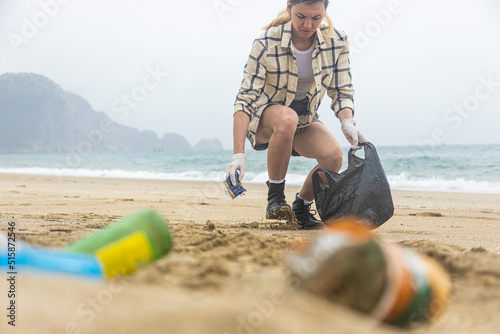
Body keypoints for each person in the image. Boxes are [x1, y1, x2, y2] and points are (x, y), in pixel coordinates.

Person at [226, 0, 368, 230]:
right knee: (287, 118)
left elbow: (341, 90)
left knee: (333, 157)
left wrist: (347, 122)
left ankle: (300, 207)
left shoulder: (337, 41)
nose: (308, 24)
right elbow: (245, 99)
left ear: (325, 12)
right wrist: (238, 155)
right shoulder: (265, 42)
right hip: (267, 120)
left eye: (316, 17)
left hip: (304, 120)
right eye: (301, 16)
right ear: (289, 8)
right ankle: (275, 199)